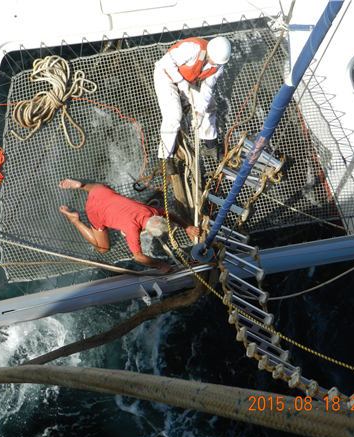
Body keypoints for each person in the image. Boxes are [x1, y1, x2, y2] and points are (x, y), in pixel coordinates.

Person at [58, 179, 200, 273]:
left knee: (98, 189)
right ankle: (75, 219)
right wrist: (160, 265)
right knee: (102, 248)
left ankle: (82, 185)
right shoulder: (132, 229)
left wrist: (186, 226)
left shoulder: (151, 212)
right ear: (149, 233)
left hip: (100, 192)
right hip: (94, 210)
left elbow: (169, 214)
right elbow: (138, 257)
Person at [154, 36, 232, 173]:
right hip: (166, 75)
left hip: (188, 80)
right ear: (209, 52)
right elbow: (166, 62)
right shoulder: (192, 49)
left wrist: (200, 114)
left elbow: (206, 90)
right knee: (173, 116)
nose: (214, 64)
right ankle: (165, 158)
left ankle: (210, 145)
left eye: (218, 63)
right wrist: (179, 81)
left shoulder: (218, 66)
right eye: (213, 60)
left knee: (209, 107)